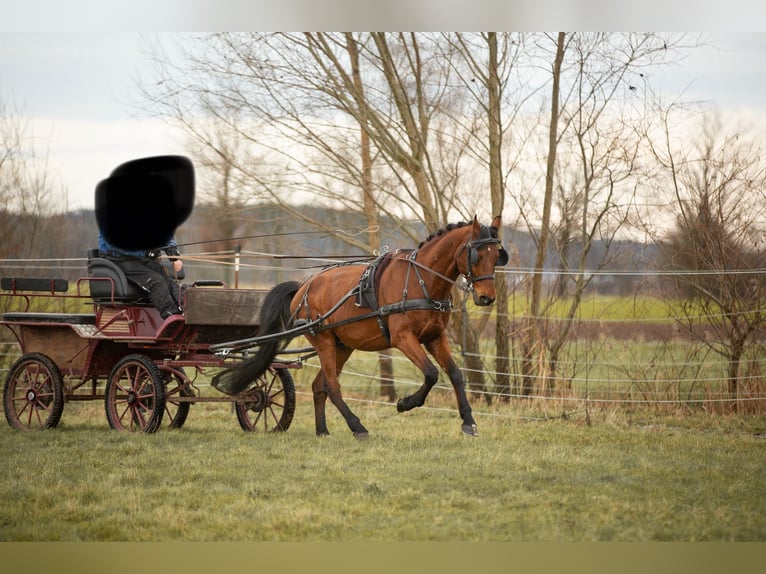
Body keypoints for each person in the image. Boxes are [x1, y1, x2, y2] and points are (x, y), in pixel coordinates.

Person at [97, 232, 184, 319]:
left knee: (168, 281)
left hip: (141, 258)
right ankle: (171, 316)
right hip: (118, 259)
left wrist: (173, 254)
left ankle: (184, 309)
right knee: (156, 281)